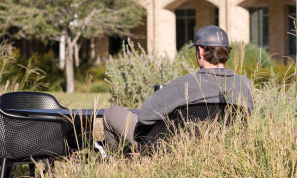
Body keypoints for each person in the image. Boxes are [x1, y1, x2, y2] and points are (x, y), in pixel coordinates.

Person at [103, 25, 253, 149]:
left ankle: (120, 162)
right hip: (223, 149)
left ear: (200, 51)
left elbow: (145, 116)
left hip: (170, 148)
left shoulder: (186, 83)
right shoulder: (244, 84)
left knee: (111, 113)